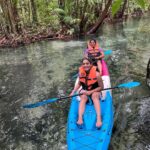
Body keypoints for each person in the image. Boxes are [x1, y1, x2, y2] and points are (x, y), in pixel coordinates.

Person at [70, 57, 104, 127]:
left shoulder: (97, 74)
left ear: (91, 64)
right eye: (84, 64)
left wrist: (91, 91)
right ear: (82, 65)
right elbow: (79, 83)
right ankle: (80, 118)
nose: (85, 65)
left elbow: (101, 87)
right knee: (83, 97)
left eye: (87, 63)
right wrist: (73, 91)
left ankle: (98, 118)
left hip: (95, 91)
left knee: (94, 96)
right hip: (85, 91)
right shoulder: (81, 73)